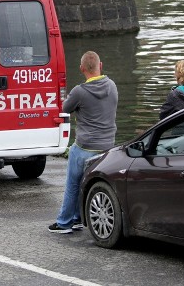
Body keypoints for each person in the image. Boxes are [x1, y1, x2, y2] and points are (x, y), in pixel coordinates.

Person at [48, 51, 118, 234]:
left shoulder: (80, 91)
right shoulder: (112, 86)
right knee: (86, 184)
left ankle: (64, 222)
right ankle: (79, 218)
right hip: (108, 147)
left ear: (81, 69)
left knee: (73, 183)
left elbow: (64, 108)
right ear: (100, 65)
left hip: (85, 146)